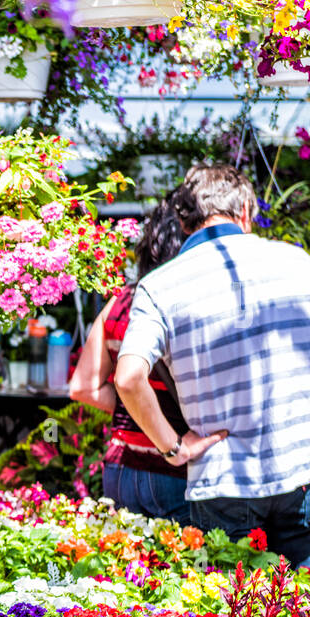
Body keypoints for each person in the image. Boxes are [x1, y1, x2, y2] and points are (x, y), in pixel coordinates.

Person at [115, 164, 310, 582]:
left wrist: (173, 448)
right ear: (244, 212)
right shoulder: (299, 263)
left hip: (222, 480)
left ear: (184, 222)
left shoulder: (158, 286)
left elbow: (128, 377)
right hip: (307, 475)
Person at [69, 194, 190, 523]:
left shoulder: (119, 303)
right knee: (189, 570)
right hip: (177, 466)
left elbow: (82, 388)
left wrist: (135, 406)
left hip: (120, 469)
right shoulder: (186, 304)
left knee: (129, 569)